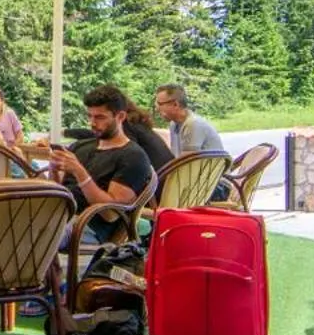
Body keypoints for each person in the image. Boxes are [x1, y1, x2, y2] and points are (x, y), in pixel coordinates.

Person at [46, 84, 154, 242]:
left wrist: (80, 173)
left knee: (35, 233)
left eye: (100, 117)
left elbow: (110, 214)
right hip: (59, 213)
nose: (92, 122)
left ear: (120, 117)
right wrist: (54, 171)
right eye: (89, 116)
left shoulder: (133, 156)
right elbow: (58, 193)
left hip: (86, 224)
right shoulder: (80, 146)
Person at [153, 84, 226, 158]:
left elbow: (186, 163)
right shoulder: (174, 124)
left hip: (210, 169)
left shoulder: (193, 124)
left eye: (160, 104)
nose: (157, 109)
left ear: (175, 104)